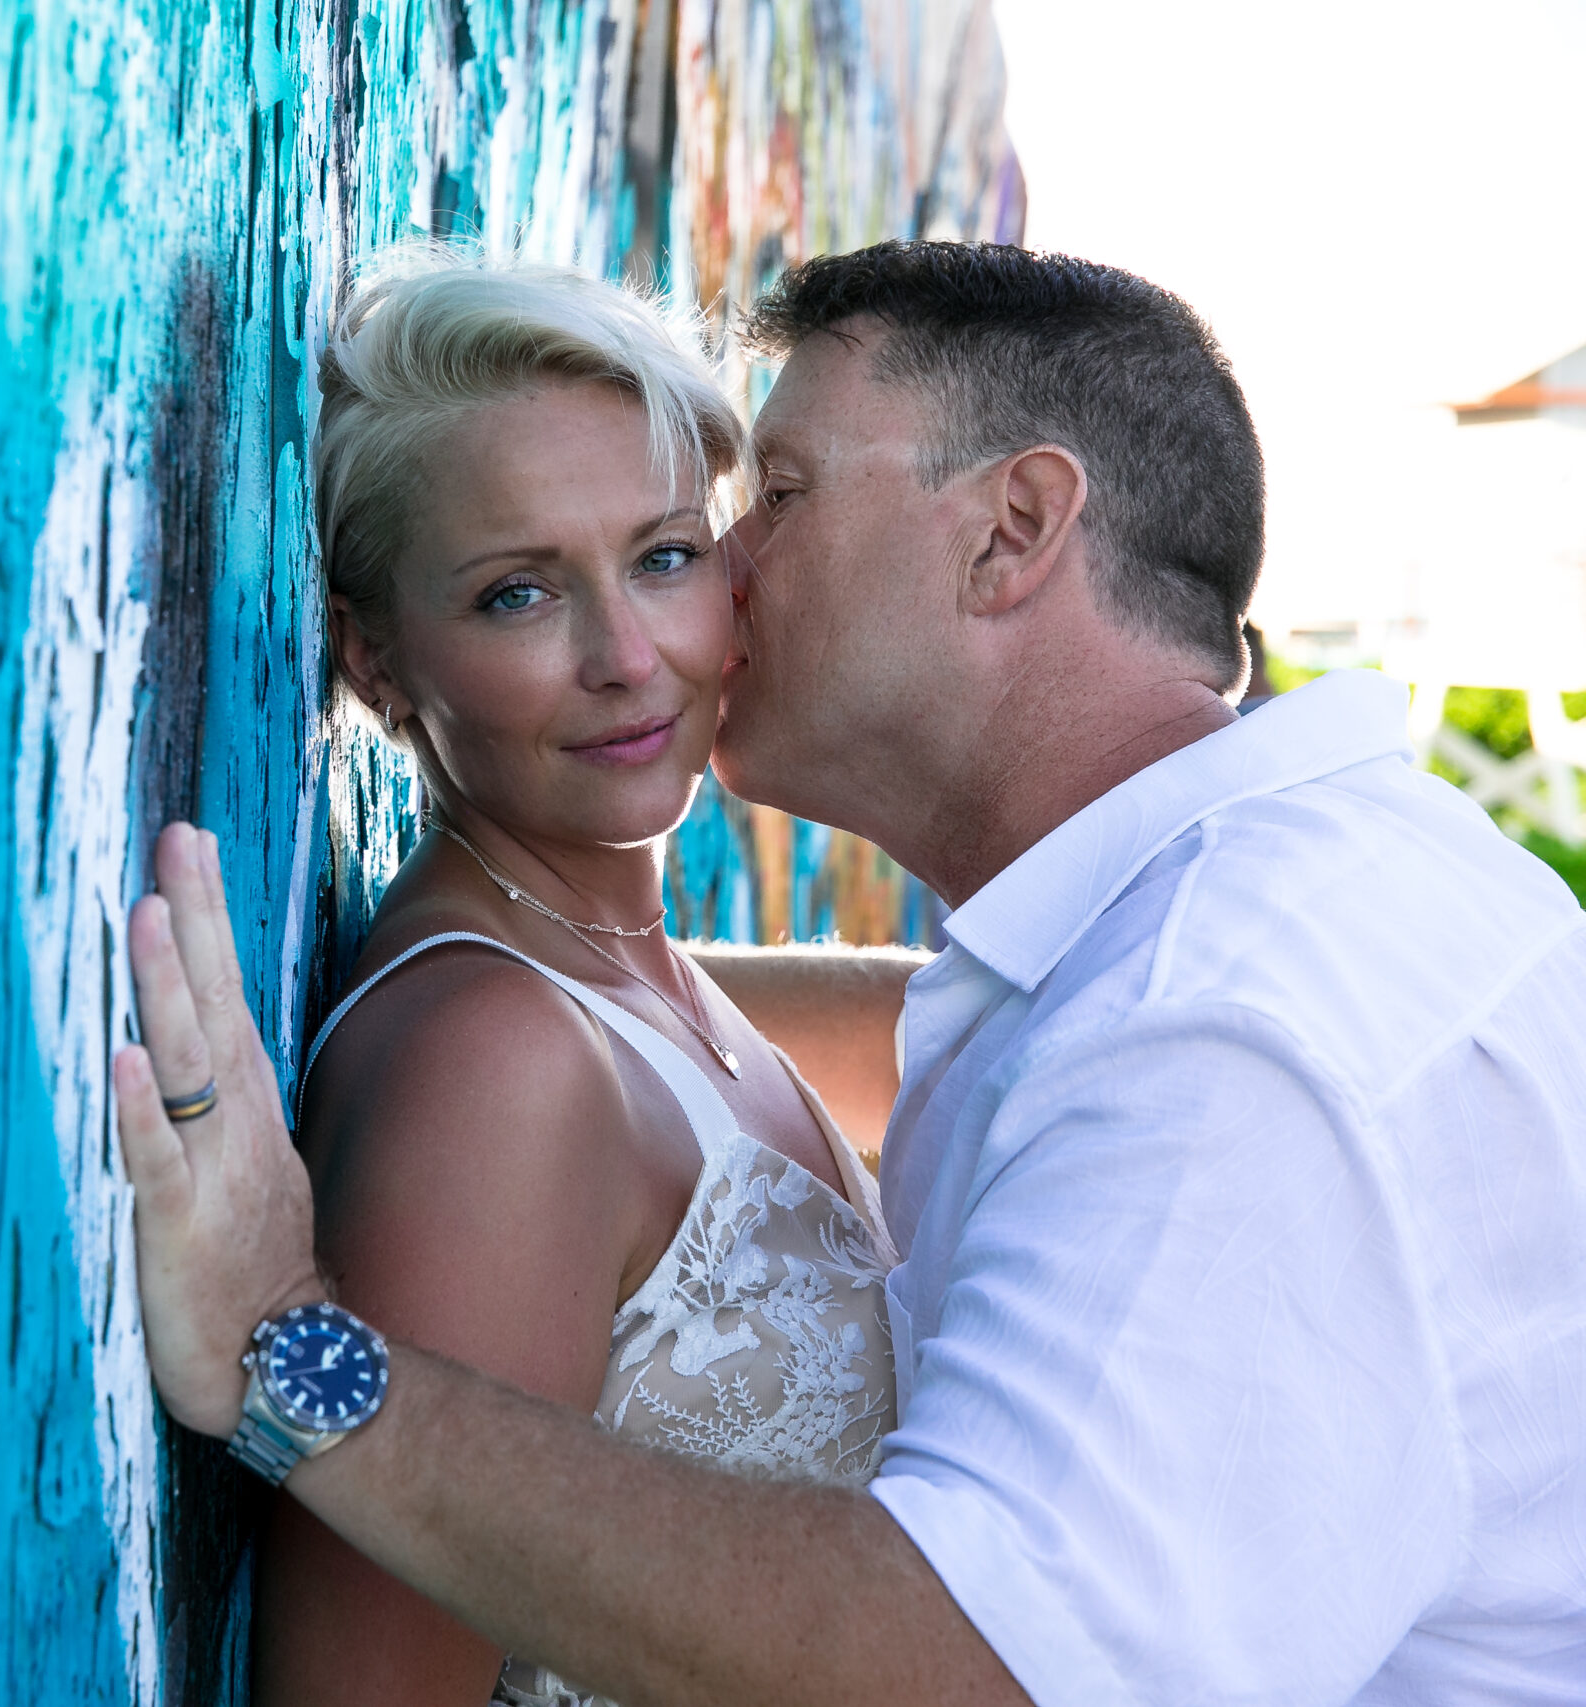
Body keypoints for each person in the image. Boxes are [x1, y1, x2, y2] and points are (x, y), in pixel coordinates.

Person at [115, 240, 1586, 1705]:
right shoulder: (1325, 890)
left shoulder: (1216, 1028)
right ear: (378, 662)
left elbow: (976, 1664)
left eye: (737, 519)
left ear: (1013, 529)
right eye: (515, 591)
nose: (709, 596)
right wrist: (563, 990)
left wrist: (284, 1349)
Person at [251, 251, 912, 1702]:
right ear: (374, 662)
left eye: (666, 557)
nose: (628, 657)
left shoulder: (641, 982)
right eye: (515, 595)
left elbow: (938, 1022)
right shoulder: (498, 1067)